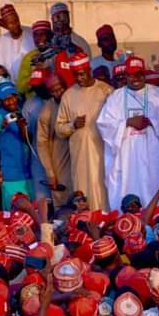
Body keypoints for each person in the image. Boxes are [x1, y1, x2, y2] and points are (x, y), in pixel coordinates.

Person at [97, 56, 159, 210]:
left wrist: (152, 121)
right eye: (130, 75)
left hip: (152, 155)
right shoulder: (116, 97)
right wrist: (128, 122)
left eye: (139, 74)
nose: (135, 79)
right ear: (125, 76)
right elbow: (104, 124)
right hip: (126, 156)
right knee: (125, 187)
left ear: (144, 74)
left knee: (152, 186)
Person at [55, 51, 113, 211]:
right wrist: (72, 125)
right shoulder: (68, 95)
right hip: (80, 155)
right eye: (75, 75)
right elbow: (59, 128)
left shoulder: (106, 91)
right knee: (82, 192)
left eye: (82, 74)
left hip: (102, 153)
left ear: (89, 70)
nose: (79, 78)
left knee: (103, 189)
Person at [0, 80, 33, 210]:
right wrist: (4, 124)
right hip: (11, 173)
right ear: (0, 101)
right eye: (6, 100)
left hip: (28, 172)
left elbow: (28, 139)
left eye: (13, 97)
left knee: (31, 211)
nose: (11, 102)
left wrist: (22, 125)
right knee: (12, 212)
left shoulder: (22, 111)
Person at [37, 74, 72, 205]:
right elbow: (42, 143)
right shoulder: (47, 111)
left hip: (78, 156)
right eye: (54, 91)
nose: (59, 93)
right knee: (63, 202)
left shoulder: (74, 100)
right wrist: (50, 173)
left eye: (61, 88)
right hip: (60, 162)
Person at [0, 4, 35, 82]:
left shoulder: (32, 34)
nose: (15, 25)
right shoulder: (0, 42)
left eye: (16, 21)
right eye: (10, 23)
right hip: (10, 87)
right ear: (5, 24)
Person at [22, 69, 51, 200]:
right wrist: (22, 127)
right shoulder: (30, 104)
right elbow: (27, 138)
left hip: (58, 152)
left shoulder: (59, 98)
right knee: (42, 196)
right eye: (34, 86)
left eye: (39, 86)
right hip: (38, 154)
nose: (37, 90)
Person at [16, 20, 53, 97]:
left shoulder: (57, 53)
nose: (38, 38)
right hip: (35, 99)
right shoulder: (29, 57)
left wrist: (47, 70)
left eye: (42, 34)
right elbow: (20, 87)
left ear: (49, 35)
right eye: (35, 35)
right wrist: (35, 75)